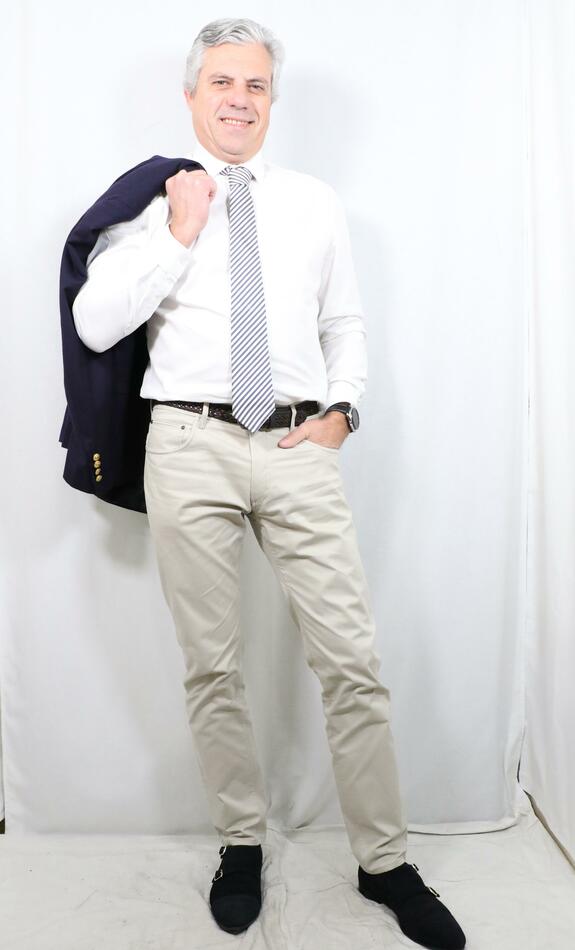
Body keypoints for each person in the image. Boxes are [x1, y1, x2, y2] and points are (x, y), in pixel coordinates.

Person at [72, 17, 466, 949]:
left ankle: (383, 860)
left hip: (296, 444)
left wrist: (343, 411)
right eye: (221, 81)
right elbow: (94, 323)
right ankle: (240, 844)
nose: (238, 98)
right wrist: (178, 231)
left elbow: (345, 323)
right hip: (189, 443)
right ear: (191, 94)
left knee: (351, 660)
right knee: (212, 665)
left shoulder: (314, 202)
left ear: (271, 99)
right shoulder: (151, 202)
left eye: (254, 84)